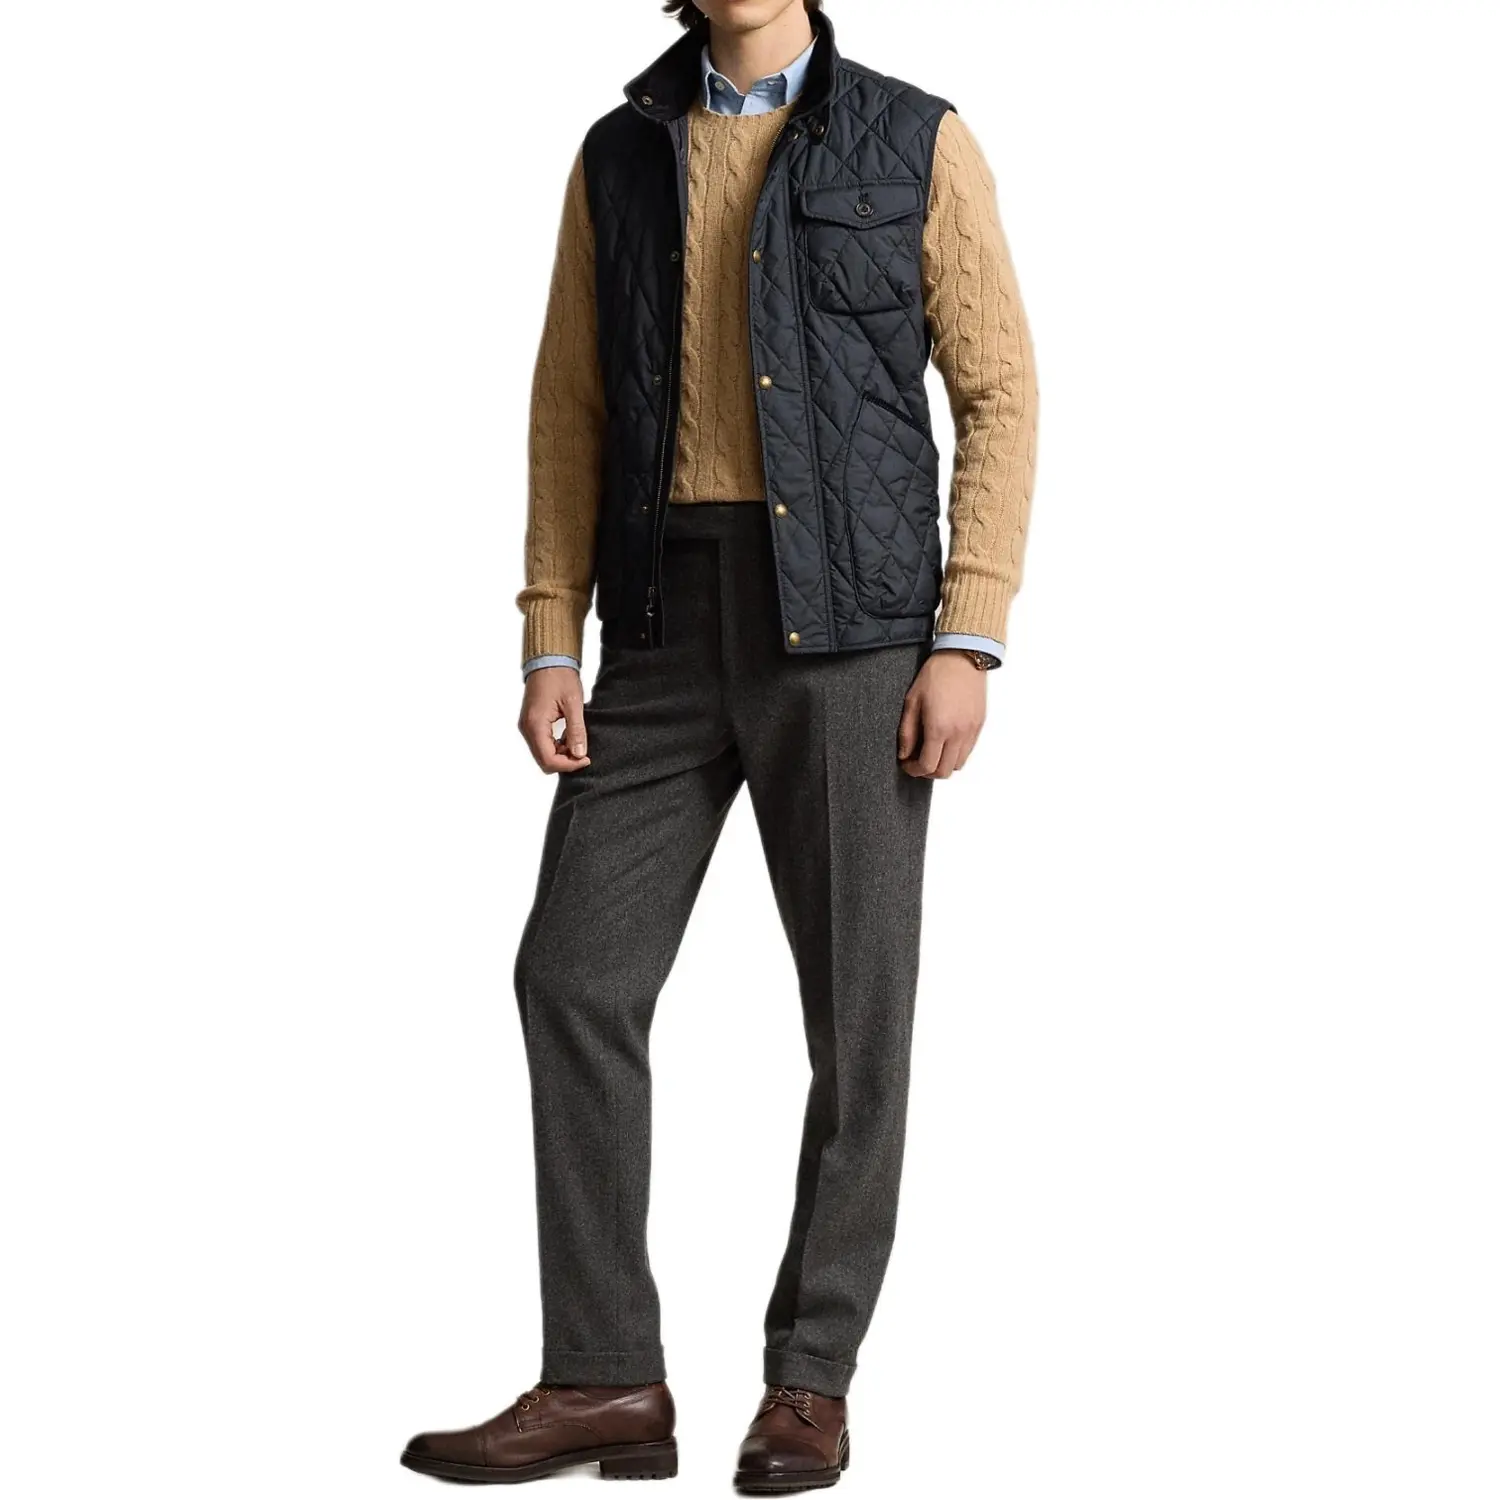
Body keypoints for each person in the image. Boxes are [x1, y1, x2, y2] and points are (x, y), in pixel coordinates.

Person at [401, 0, 1037, 1488]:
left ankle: (810, 1381)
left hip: (858, 633)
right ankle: (606, 1374)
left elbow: (999, 391)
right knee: (572, 975)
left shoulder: (916, 139)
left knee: (858, 1016)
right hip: (661, 625)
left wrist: (968, 632)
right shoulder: (620, 154)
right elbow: (569, 405)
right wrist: (549, 631)